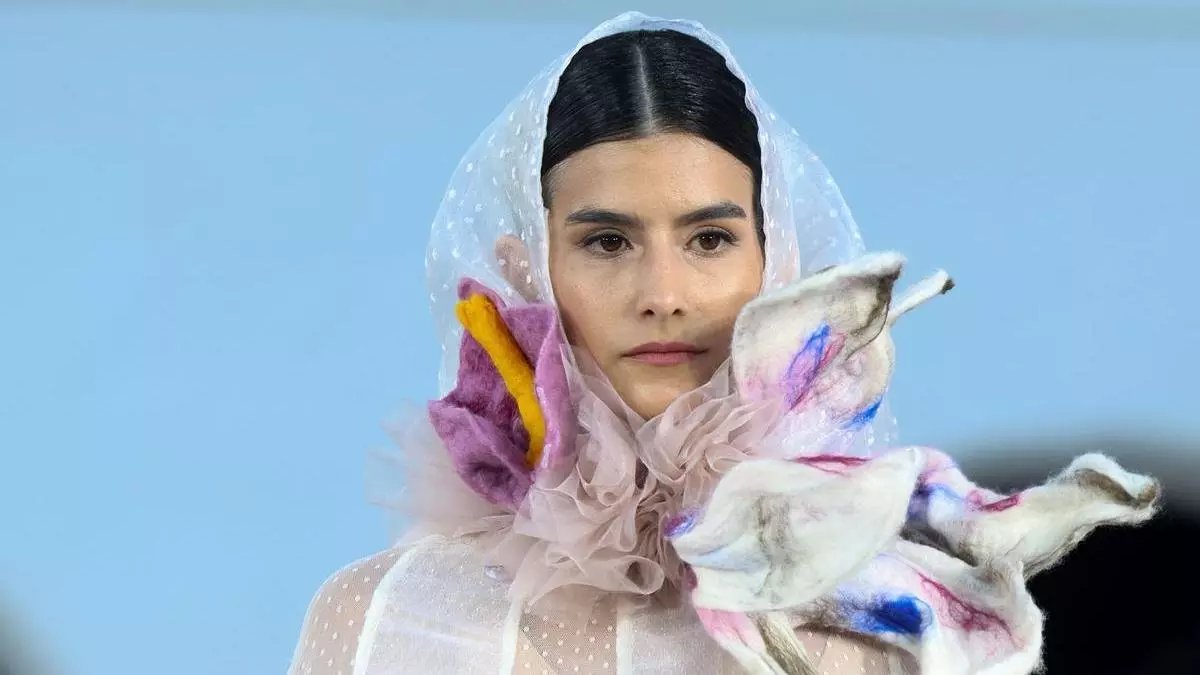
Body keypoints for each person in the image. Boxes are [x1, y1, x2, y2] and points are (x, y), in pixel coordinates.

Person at [287, 13, 1157, 675]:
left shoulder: (891, 621)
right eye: (607, 241)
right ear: (529, 271)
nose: (663, 294)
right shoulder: (382, 616)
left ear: (776, 263)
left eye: (709, 239)